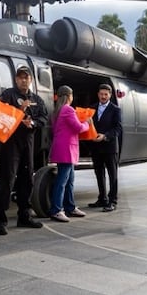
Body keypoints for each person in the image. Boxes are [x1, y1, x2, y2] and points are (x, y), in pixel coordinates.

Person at [0, 65, 48, 235]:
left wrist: (32, 123)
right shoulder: (8, 95)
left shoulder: (37, 99)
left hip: (28, 142)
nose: (24, 80)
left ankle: (24, 216)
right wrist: (19, 112)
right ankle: (0, 222)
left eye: (27, 77)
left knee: (28, 179)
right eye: (20, 77)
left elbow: (43, 118)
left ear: (31, 80)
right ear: (16, 79)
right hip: (11, 143)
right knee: (7, 180)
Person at [48, 85, 90, 222]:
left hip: (62, 149)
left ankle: (70, 207)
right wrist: (87, 124)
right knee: (62, 181)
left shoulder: (57, 111)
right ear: (69, 96)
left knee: (69, 180)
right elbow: (78, 128)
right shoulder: (68, 109)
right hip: (67, 150)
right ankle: (56, 210)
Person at [88, 83, 123, 212]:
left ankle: (112, 200)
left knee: (112, 174)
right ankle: (102, 198)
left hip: (110, 147)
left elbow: (118, 128)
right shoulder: (91, 108)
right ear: (98, 94)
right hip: (96, 147)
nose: (103, 96)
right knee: (99, 173)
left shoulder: (115, 109)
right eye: (101, 94)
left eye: (106, 94)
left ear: (110, 95)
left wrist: (105, 136)